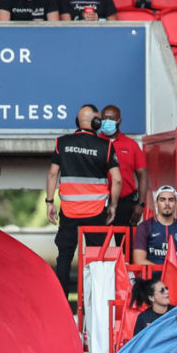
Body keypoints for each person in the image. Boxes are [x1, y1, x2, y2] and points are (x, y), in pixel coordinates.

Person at [48, 104, 120, 301]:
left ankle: (61, 302)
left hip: (70, 211)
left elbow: (53, 173)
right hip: (96, 211)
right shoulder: (105, 146)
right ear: (96, 122)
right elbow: (118, 179)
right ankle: (96, 301)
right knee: (97, 259)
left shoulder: (62, 143)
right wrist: (112, 206)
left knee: (64, 256)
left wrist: (49, 202)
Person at [131, 185, 177, 276]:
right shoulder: (144, 227)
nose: (167, 203)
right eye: (162, 200)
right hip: (151, 277)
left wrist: (173, 275)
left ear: (176, 204)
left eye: (171, 200)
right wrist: (165, 272)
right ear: (156, 203)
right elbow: (139, 261)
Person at [101, 105, 147, 227]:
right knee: (97, 244)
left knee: (127, 244)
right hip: (99, 202)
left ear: (119, 121)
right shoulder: (94, 143)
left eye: (110, 119)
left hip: (125, 203)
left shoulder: (131, 145)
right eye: (104, 119)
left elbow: (143, 175)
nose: (106, 122)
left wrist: (141, 204)